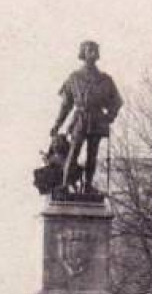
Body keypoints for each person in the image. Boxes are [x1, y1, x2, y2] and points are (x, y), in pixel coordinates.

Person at [50, 39, 124, 195]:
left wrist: (109, 117)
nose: (92, 53)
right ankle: (65, 184)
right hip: (80, 118)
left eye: (95, 50)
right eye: (89, 50)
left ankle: (88, 185)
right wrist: (57, 125)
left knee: (92, 154)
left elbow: (117, 101)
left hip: (97, 119)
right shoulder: (74, 78)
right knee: (74, 151)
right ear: (82, 53)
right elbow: (66, 105)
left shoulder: (105, 79)